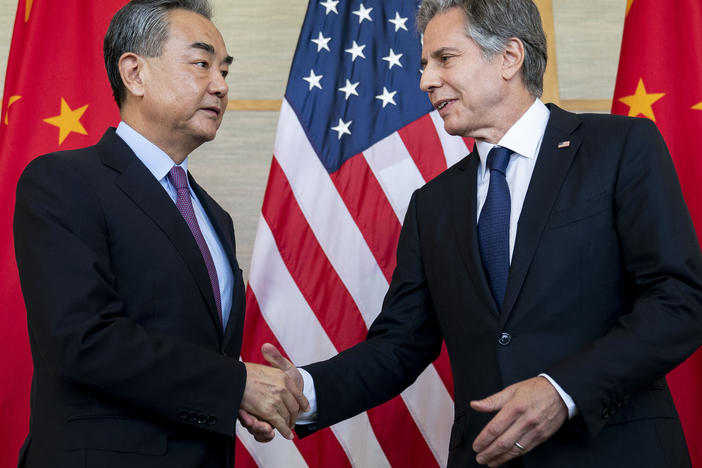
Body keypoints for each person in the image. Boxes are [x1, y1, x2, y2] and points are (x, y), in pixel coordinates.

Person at [239, 0, 702, 467]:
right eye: (423, 65)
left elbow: (681, 299)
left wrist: (562, 392)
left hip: (616, 452)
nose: (425, 81)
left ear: (509, 57)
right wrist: (306, 390)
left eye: (444, 59)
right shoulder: (432, 204)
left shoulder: (619, 148)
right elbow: (400, 345)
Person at [13, 1, 307, 466]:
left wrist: (231, 398)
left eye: (225, 70)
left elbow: (189, 347)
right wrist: (234, 384)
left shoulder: (214, 215)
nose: (221, 86)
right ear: (134, 73)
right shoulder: (62, 181)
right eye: (201, 63)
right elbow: (81, 340)